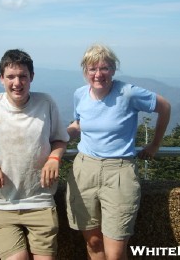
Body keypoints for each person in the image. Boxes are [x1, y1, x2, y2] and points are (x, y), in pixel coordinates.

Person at [66, 44, 171, 260]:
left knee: (115, 252)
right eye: (92, 69)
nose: (98, 74)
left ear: (113, 70)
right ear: (85, 71)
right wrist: (60, 135)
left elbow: (165, 107)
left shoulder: (128, 93)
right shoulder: (79, 94)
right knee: (94, 243)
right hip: (84, 168)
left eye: (104, 68)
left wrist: (154, 145)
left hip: (120, 170)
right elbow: (79, 123)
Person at [0, 49, 69, 260]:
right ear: (1, 79)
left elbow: (59, 139)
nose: (17, 82)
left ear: (31, 77)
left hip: (39, 199)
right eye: (11, 77)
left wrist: (54, 158)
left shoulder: (46, 103)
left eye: (23, 76)